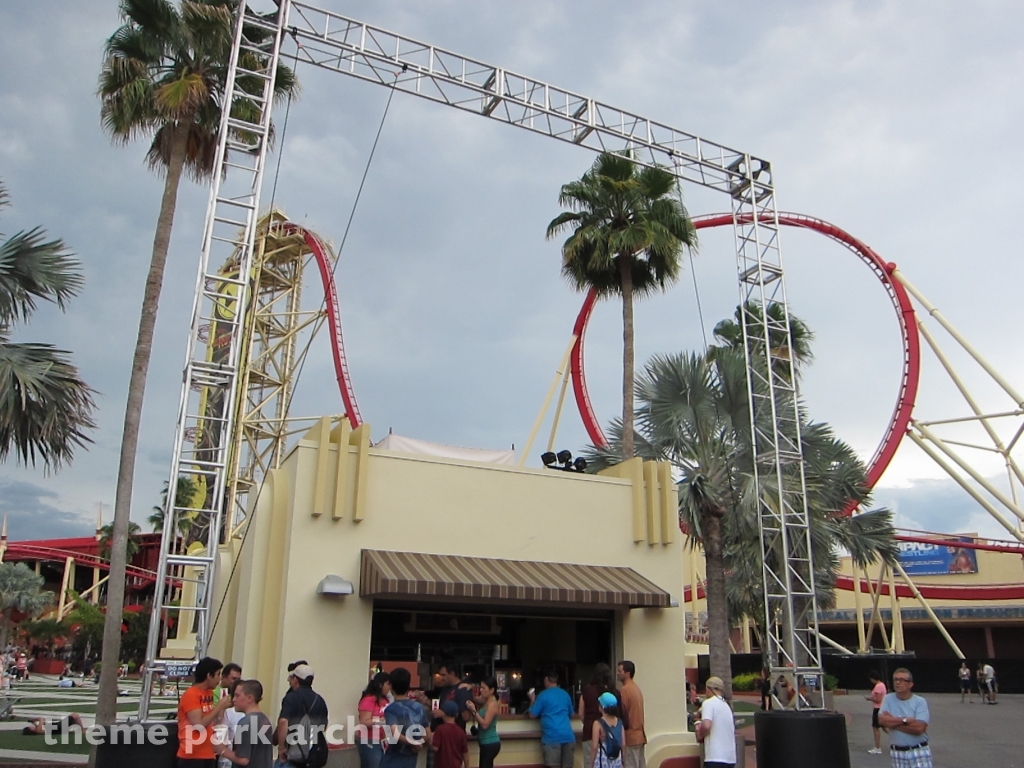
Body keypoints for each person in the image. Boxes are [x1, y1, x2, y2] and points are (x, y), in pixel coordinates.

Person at [177, 657, 233, 768]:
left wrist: (222, 709)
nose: (220, 679)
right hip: (191, 755)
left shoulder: (209, 693)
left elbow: (213, 720)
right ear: (209, 675)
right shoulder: (191, 694)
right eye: (218, 674)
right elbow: (198, 725)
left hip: (208, 753)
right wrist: (219, 707)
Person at [276, 664, 329, 767]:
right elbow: (324, 726)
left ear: (296, 679)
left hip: (294, 753)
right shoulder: (319, 700)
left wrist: (281, 748)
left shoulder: (291, 698)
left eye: (291, 677)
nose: (289, 680)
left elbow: (283, 722)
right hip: (314, 753)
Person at [877, 668, 931, 768]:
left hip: (917, 751)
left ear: (910, 684)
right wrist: (904, 720)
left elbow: (920, 728)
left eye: (902, 680)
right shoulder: (888, 699)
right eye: (895, 679)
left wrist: (892, 723)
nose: (898, 682)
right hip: (897, 752)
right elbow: (881, 721)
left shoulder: (919, 702)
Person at [214, 679, 273, 768]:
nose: (233, 699)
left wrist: (222, 750)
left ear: (250, 698)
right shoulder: (264, 720)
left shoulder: (245, 723)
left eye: (237, 696)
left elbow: (243, 760)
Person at [381, 667, 432, 768]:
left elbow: (395, 733)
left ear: (391, 686)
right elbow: (428, 734)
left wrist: (413, 743)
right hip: (410, 760)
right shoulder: (419, 707)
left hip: (393, 759)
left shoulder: (391, 709)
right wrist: (416, 743)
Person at [528, 669, 575, 768]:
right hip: (568, 736)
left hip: (552, 737)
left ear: (546, 680)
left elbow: (532, 715)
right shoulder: (565, 694)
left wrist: (532, 700)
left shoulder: (543, 695)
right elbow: (572, 714)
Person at [579, 664, 618, 768]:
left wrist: (588, 723)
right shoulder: (614, 692)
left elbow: (581, 713)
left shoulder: (587, 691)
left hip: (589, 731)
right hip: (611, 734)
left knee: (589, 761)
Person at [694, 677, 735, 768]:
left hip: (715, 758)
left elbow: (707, 725)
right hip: (730, 759)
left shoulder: (708, 703)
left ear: (709, 689)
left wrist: (700, 734)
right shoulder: (726, 706)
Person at [357, 671, 392, 768]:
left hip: (383, 739)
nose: (390, 687)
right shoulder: (368, 700)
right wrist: (380, 720)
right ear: (380, 684)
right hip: (369, 739)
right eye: (388, 684)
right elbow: (364, 721)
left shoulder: (385, 700)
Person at [466, 676, 501, 768]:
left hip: (490, 742)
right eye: (480, 687)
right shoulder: (486, 700)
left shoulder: (492, 704)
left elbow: (485, 724)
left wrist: (473, 711)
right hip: (485, 743)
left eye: (483, 688)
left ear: (492, 690)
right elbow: (475, 699)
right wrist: (470, 688)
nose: (481, 690)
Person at [616, 661, 646, 768]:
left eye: (620, 671)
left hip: (630, 736)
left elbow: (622, 713)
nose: (617, 673)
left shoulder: (624, 690)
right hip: (640, 735)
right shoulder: (636, 689)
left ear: (627, 674)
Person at [218, 664, 244, 768]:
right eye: (233, 678)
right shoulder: (216, 693)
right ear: (223, 677)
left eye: (238, 679)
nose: (235, 682)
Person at [590, 691, 624, 768]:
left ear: (602, 707)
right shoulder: (619, 722)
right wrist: (623, 761)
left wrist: (591, 764)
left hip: (603, 759)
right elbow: (623, 744)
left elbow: (594, 746)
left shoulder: (597, 723)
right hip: (617, 758)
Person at [432, 701, 469, 768]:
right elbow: (465, 753)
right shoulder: (461, 732)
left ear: (444, 714)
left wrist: (429, 738)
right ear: (456, 715)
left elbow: (435, 748)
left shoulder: (440, 729)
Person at [865, 670, 887, 754]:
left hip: (878, 708)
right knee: (884, 727)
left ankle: (877, 747)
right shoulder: (882, 685)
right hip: (882, 708)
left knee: (875, 727)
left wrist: (870, 698)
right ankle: (898, 739)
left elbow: (878, 699)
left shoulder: (878, 686)